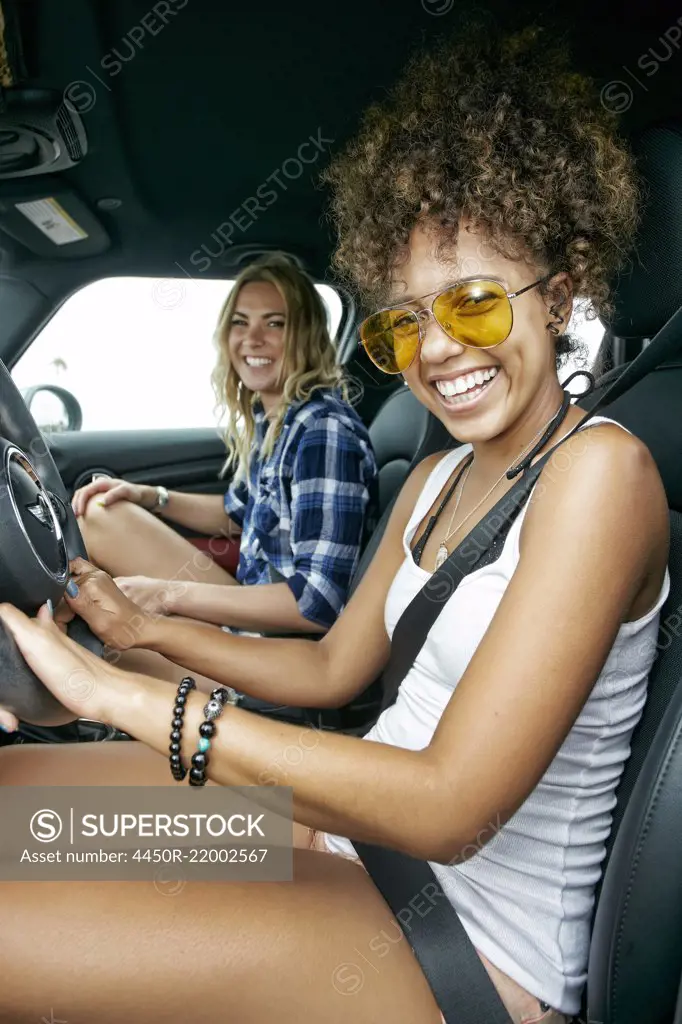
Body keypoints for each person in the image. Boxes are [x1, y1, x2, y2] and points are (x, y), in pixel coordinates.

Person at [0, 25, 670, 1024]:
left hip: (465, 943)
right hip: (348, 837)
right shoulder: (437, 476)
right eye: (403, 321)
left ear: (559, 290)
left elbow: (449, 807)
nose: (437, 351)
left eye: (476, 305)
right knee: (14, 806)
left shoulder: (604, 475)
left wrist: (124, 696)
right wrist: (141, 633)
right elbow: (328, 673)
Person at [69, 253, 377, 643]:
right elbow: (238, 514)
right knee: (101, 513)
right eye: (240, 322)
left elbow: (317, 603)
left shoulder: (323, 431)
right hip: (250, 607)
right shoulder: (277, 420)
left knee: (88, 644)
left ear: (307, 334)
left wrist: (169, 595)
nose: (253, 338)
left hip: (279, 647)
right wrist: (149, 496)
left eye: (275, 323)